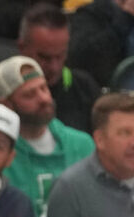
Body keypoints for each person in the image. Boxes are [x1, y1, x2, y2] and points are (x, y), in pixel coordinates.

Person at [0, 55, 95, 217]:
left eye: (43, 88)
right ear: (6, 105)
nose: (44, 99)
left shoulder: (83, 145)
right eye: (29, 95)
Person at [17, 3, 101, 134]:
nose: (54, 67)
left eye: (60, 56)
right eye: (44, 57)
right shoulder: (2, 92)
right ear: (22, 48)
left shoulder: (85, 89)